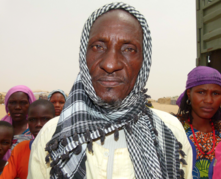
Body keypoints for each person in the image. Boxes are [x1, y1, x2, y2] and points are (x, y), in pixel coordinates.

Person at [28, 3, 193, 179]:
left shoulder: (168, 133)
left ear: (144, 62)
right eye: (98, 46)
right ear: (84, 55)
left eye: (129, 49)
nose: (110, 64)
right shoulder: (52, 136)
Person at [176, 66, 221, 179]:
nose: (209, 100)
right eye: (201, 92)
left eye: (215, 93)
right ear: (189, 94)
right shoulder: (174, 127)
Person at [0, 100, 55, 179]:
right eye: (32, 120)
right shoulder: (20, 149)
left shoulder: (67, 148)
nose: (38, 124)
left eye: (45, 119)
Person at [1, 85, 36, 161]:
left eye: (23, 103)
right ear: (7, 105)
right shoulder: (2, 127)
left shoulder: (36, 128)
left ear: (30, 104)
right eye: (13, 102)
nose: (17, 107)